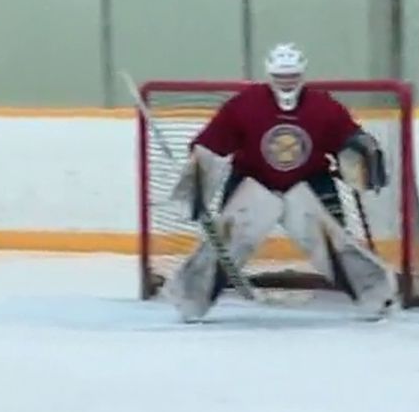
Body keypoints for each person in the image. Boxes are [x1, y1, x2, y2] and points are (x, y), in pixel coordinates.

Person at [164, 43, 394, 322]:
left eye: (292, 76)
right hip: (253, 181)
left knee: (335, 241)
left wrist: (361, 149)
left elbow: (349, 137)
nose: (287, 83)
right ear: (270, 74)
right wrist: (197, 175)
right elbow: (211, 144)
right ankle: (189, 299)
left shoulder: (324, 106)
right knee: (225, 242)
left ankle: (375, 294)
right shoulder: (244, 105)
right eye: (281, 76)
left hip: (310, 181)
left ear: (302, 74)